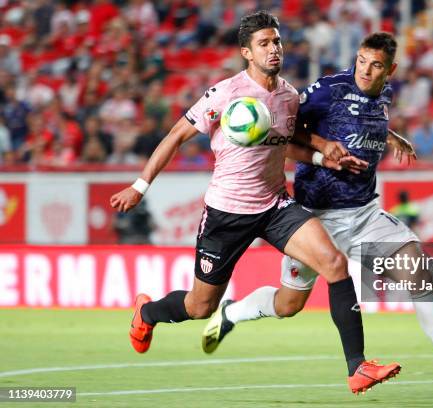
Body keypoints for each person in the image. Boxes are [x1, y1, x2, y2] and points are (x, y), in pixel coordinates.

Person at [203, 32, 433, 397]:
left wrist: (391, 136)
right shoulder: (329, 88)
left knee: (419, 271)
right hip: (315, 217)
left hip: (364, 213)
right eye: (362, 60)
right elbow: (287, 128)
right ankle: (231, 313)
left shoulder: (383, 95)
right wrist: (322, 146)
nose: (365, 70)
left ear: (389, 70)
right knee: (288, 305)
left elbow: (364, 120)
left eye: (376, 65)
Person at [110, 11, 400, 394]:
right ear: (247, 52)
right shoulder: (225, 94)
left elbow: (287, 142)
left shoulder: (288, 96)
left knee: (333, 263)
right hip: (227, 214)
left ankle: (357, 367)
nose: (274, 49)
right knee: (200, 307)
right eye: (264, 43)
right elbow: (177, 135)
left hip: (275, 205)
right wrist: (139, 185)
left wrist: (320, 155)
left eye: (277, 41)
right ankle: (147, 312)